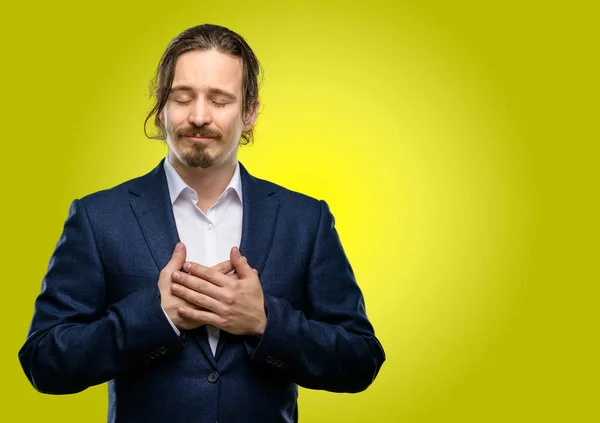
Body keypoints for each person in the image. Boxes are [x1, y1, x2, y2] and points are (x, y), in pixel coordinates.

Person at [19, 23, 385, 423]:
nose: (198, 116)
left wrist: (265, 322)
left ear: (249, 112)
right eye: (183, 97)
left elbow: (360, 359)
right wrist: (154, 316)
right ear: (161, 107)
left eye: (220, 100)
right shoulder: (98, 217)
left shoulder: (306, 219)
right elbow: (44, 361)